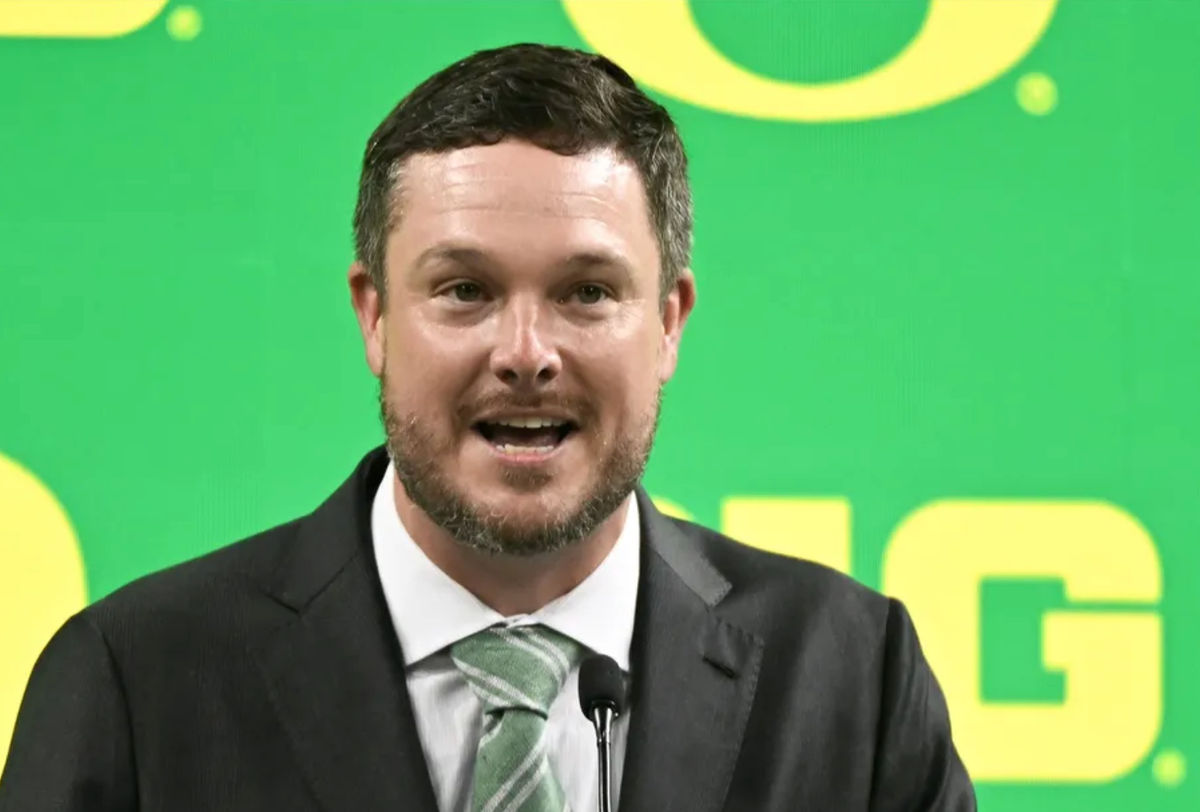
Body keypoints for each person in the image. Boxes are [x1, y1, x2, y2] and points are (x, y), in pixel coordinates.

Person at [0, 43, 975, 811]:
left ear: (670, 322)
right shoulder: (137, 683)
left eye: (587, 292)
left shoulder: (851, 680)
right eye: (464, 290)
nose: (525, 353)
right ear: (375, 316)